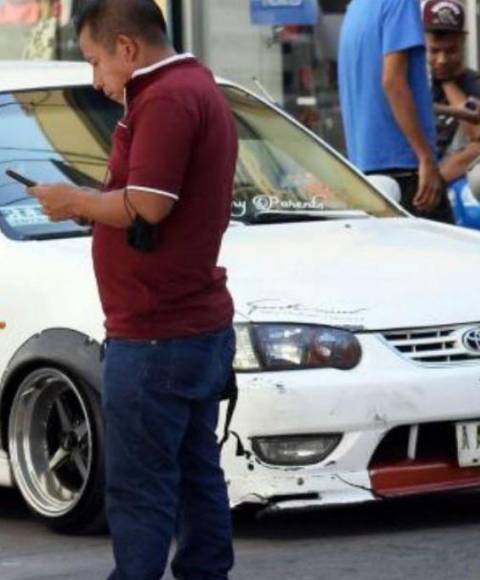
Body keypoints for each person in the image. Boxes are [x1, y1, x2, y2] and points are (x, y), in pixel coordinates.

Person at [28, 1, 237, 578]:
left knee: (142, 491)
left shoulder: (167, 97)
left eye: (96, 62)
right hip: (188, 325)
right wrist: (94, 208)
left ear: (127, 48)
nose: (97, 81)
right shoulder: (193, 85)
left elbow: (149, 203)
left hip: (157, 336)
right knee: (196, 478)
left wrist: (75, 201)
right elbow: (144, 203)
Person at [339, 0, 453, 222]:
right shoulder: (400, 3)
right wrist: (425, 157)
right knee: (451, 253)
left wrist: (459, 112)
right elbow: (393, 82)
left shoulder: (356, 8)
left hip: (365, 169)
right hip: (405, 168)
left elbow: (374, 92)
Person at [422, 0, 480, 184]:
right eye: (434, 51)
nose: (442, 60)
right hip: (414, 161)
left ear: (463, 42)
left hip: (447, 168)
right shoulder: (413, 79)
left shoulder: (472, 81)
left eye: (450, 51)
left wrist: (448, 82)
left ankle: (434, 185)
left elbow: (478, 133)